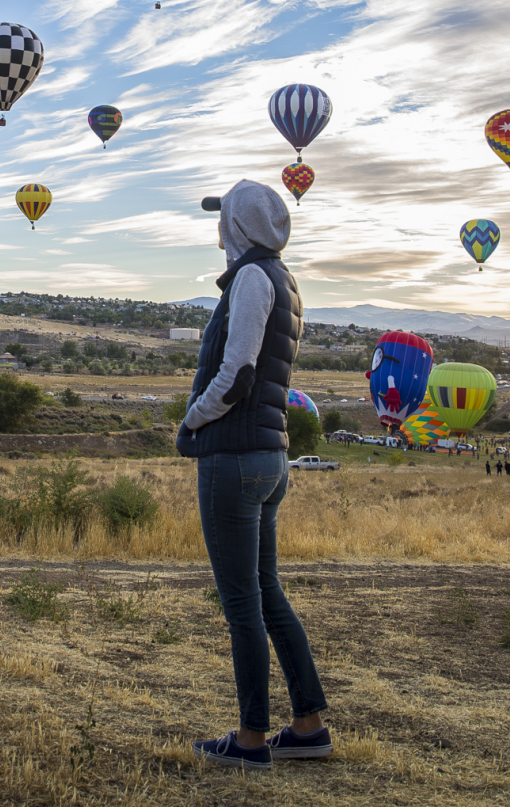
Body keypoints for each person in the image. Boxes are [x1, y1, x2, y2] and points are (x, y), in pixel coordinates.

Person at [176, 180, 329, 770]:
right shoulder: (284, 281)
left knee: (241, 602)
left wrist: (192, 420)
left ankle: (249, 739)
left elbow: (237, 373)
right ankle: (308, 725)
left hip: (234, 456)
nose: (216, 227)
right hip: (271, 456)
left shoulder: (249, 278)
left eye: (223, 218)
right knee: (267, 593)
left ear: (237, 225)